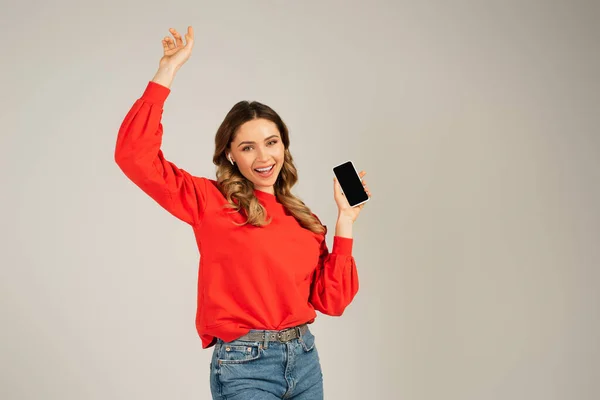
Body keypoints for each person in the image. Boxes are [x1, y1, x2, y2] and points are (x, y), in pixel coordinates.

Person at [114, 26, 371, 400]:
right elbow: (134, 157)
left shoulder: (304, 219)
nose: (264, 157)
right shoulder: (211, 201)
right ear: (231, 155)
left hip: (305, 360)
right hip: (245, 366)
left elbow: (332, 301)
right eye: (248, 147)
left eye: (271, 143)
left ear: (284, 144)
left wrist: (345, 222)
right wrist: (166, 71)